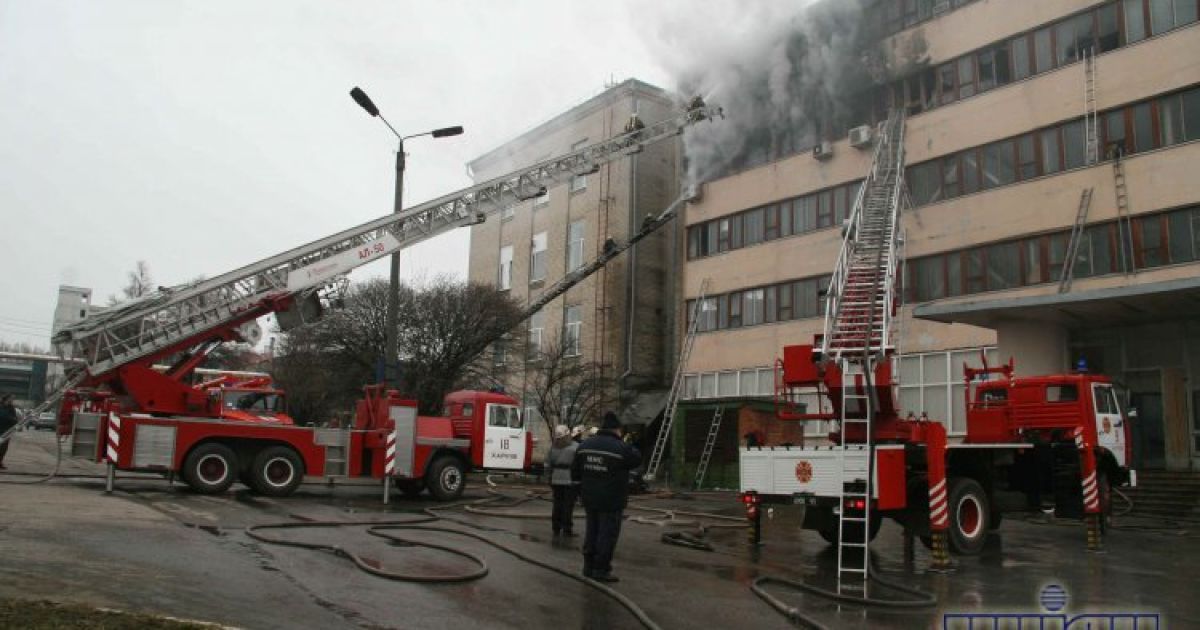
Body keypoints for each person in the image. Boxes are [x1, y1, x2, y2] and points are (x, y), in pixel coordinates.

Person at [571, 410, 641, 583]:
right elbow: (636, 459)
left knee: (591, 532)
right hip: (611, 500)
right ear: (617, 430)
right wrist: (628, 442)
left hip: (589, 498)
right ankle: (601, 570)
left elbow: (575, 472)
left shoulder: (585, 445)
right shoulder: (620, 447)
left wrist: (581, 490)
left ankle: (588, 567)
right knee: (606, 535)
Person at [547, 424, 580, 537]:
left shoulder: (553, 447)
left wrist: (550, 478)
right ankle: (567, 528)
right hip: (569, 480)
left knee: (557, 504)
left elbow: (549, 464)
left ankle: (556, 527)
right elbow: (579, 465)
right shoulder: (576, 447)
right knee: (568, 505)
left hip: (556, 479)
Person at [0, 395, 18, 470]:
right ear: (6, 399)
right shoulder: (0, 406)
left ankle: (0, 462)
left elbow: (14, 418)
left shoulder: (11, 408)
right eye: (11, 399)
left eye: (12, 399)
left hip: (7, 430)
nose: (12, 400)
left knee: (4, 448)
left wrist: (13, 420)